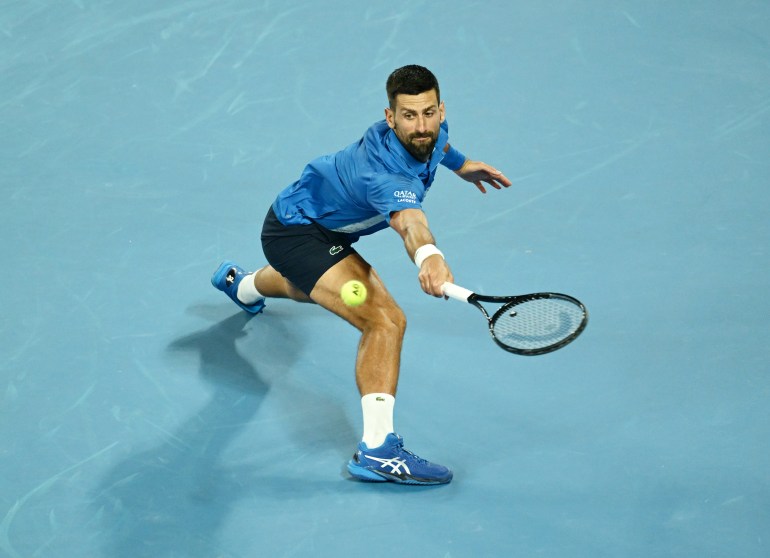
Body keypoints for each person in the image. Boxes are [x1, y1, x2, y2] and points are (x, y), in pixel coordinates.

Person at [212, 65, 511, 485]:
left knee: (305, 287)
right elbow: (410, 222)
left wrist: (462, 165)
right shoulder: (385, 173)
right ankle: (378, 450)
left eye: (429, 113)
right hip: (296, 231)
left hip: (316, 219)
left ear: (442, 110)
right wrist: (429, 256)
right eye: (408, 116)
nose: (421, 126)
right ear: (390, 118)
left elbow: (438, 146)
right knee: (385, 320)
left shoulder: (430, 132)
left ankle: (241, 286)